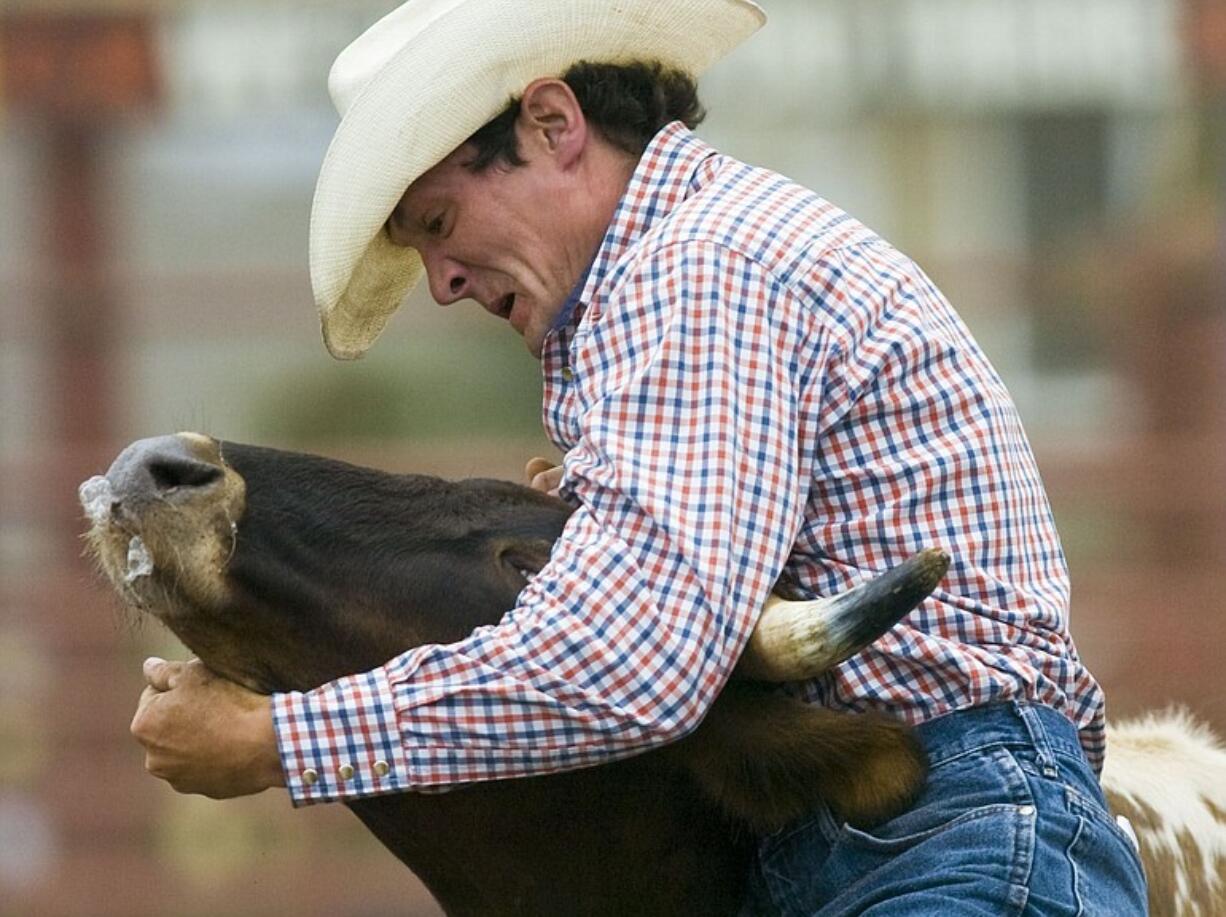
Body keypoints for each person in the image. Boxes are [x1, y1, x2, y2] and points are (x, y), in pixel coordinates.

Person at [130, 0, 1148, 912]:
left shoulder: (695, 270)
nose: (439, 282)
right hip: (867, 835)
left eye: (439, 224)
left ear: (552, 126)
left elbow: (629, 660)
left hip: (947, 835)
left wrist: (278, 740)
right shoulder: (679, 278)